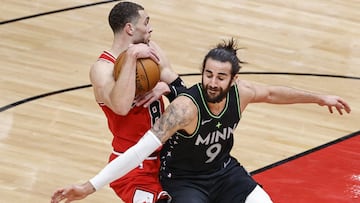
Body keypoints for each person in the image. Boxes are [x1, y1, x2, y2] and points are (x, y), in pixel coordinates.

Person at [51, 38, 351, 203]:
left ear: (233, 80)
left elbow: (272, 93)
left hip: (223, 172)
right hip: (185, 181)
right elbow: (139, 151)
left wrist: (319, 97)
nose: (212, 82)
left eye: (220, 77)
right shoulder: (184, 108)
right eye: (208, 74)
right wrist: (89, 186)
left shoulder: (241, 93)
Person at [51, 1, 185, 203]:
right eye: (146, 22)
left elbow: (186, 94)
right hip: (132, 165)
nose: (150, 28)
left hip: (167, 156)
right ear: (130, 28)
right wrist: (131, 58)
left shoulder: (152, 51)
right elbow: (121, 106)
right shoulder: (102, 68)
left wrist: (167, 88)